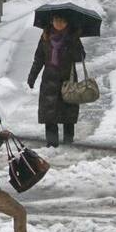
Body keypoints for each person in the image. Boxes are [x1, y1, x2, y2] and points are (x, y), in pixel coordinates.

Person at [28, 14, 85, 146]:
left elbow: (80, 57)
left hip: (67, 81)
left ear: (67, 23)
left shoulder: (72, 37)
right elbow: (39, 59)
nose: (59, 23)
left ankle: (68, 142)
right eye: (56, 20)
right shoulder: (45, 37)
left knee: (68, 113)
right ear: (51, 21)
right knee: (49, 113)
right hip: (49, 81)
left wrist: (74, 42)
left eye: (62, 21)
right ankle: (51, 144)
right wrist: (32, 77)